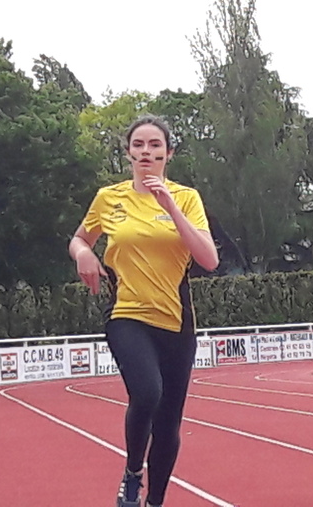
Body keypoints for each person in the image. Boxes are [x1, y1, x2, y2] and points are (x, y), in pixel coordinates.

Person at [68, 115, 218, 507]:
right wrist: (83, 253)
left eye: (155, 145)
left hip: (176, 322)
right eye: (139, 145)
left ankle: (156, 501)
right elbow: (80, 238)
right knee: (147, 392)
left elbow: (209, 259)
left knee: (168, 425)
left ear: (169, 154)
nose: (146, 152)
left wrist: (169, 205)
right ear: (128, 153)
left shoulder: (186, 198)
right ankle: (133, 473)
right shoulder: (109, 198)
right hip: (127, 313)